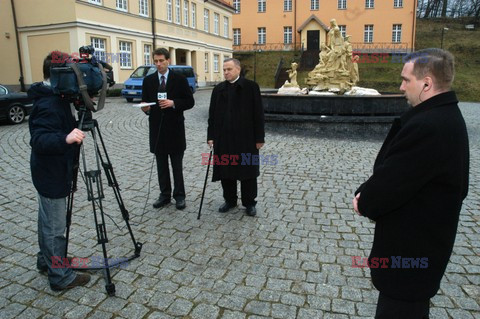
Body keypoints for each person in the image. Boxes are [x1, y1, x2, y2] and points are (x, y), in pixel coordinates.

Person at [352, 48, 469, 318]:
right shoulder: (448, 115)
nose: (401, 86)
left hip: (410, 250)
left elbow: (391, 183)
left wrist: (364, 199)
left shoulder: (428, 126)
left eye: (406, 80)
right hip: (424, 247)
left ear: (426, 83)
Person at [28, 51, 91, 291]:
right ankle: (60, 276)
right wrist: (66, 137)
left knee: (47, 220)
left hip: (50, 171)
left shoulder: (57, 96)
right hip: (51, 173)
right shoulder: (48, 102)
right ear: (58, 75)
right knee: (55, 227)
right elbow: (40, 139)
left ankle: (47, 260)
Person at [207, 58, 265, 217]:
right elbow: (212, 115)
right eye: (224, 70)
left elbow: (258, 114)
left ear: (238, 70)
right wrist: (210, 136)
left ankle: (249, 203)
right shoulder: (218, 89)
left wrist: (260, 138)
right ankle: (230, 200)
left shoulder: (251, 87)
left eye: (229, 69)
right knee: (226, 171)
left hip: (247, 139)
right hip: (223, 138)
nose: (226, 72)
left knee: (248, 172)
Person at [141, 47, 194, 210]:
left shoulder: (179, 79)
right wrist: (145, 108)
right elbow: (145, 102)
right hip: (157, 129)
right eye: (155, 61)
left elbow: (190, 102)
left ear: (168, 61)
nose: (158, 64)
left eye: (161, 61)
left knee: (177, 166)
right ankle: (164, 195)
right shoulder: (148, 80)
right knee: (161, 165)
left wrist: (174, 103)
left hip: (175, 129)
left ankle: (180, 196)